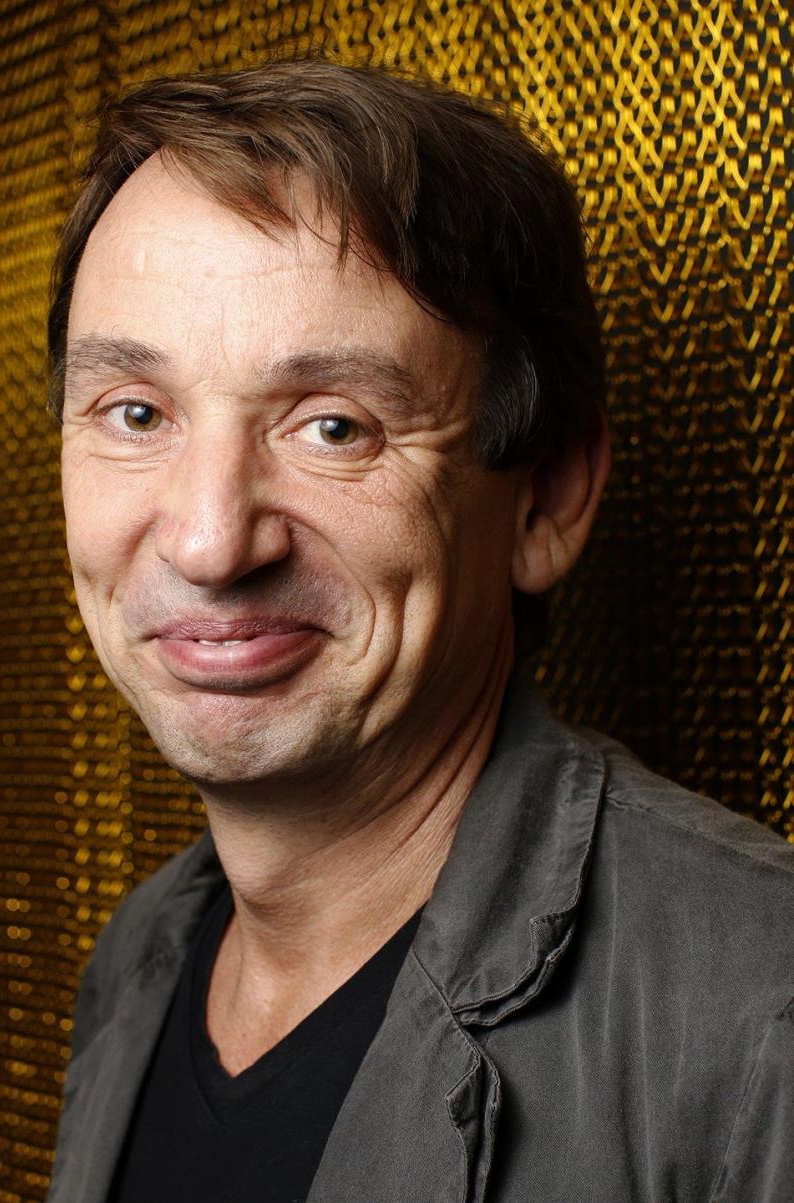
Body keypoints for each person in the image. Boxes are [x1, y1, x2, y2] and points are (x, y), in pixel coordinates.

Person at [46, 60, 793, 1203]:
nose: (208, 541)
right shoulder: (136, 958)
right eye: (136, 413)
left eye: (333, 428)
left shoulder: (759, 1013)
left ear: (543, 501)